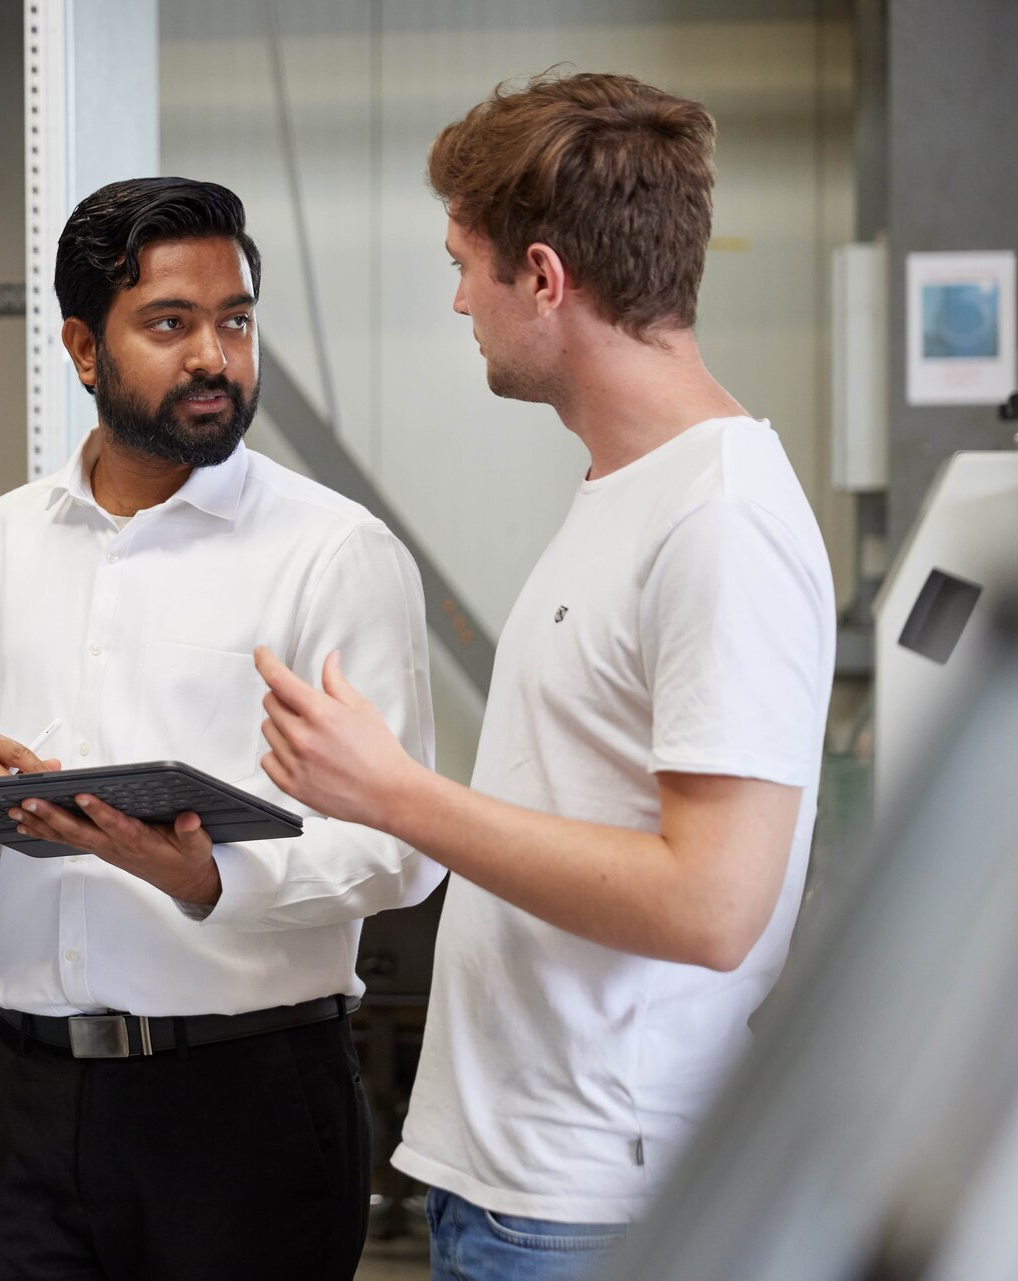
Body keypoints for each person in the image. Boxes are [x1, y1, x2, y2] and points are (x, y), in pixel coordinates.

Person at [255, 72, 836, 1281]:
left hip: (592, 1207)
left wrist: (393, 792)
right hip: (526, 1185)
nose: (459, 298)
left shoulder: (720, 520)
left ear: (544, 278)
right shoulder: (631, 490)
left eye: (466, 264)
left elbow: (713, 907)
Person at [0, 177, 442, 1281]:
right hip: (28, 1098)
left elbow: (403, 848)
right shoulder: (10, 538)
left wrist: (209, 879)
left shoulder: (333, 554)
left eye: (234, 321)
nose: (215, 356)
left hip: (240, 1107)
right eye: (171, 324)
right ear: (82, 348)